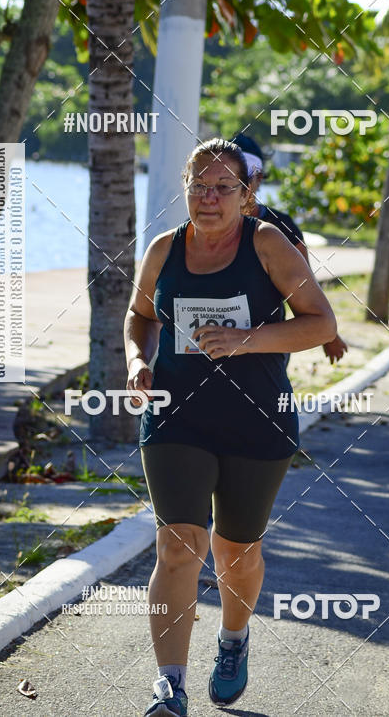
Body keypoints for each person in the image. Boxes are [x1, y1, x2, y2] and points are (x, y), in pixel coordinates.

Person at [124, 138, 337, 716]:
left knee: (236, 552)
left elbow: (320, 321)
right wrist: (137, 361)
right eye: (198, 184)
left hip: (257, 419)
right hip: (175, 416)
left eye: (223, 187)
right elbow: (140, 317)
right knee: (177, 547)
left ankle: (233, 638)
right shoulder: (164, 248)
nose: (208, 196)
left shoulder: (268, 244)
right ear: (185, 188)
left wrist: (247, 342)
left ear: (247, 196)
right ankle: (169, 684)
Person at [232, 132, 347, 364]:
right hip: (210, 344)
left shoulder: (282, 226)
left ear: (260, 178)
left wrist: (329, 335)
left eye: (247, 176)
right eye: (231, 177)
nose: (239, 185)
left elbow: (305, 287)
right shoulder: (202, 223)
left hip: (268, 347)